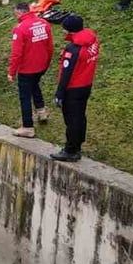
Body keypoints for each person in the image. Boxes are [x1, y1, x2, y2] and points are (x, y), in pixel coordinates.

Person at [51, 14, 99, 162]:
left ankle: (71, 150)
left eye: (64, 29)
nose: (63, 32)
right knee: (80, 117)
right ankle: (77, 145)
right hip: (86, 84)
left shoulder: (73, 49)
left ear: (70, 31)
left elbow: (66, 73)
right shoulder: (92, 40)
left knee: (72, 119)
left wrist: (59, 93)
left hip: (73, 88)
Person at [7, 0, 56, 138]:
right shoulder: (44, 23)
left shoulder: (20, 29)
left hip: (27, 68)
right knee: (35, 86)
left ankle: (28, 126)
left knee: (25, 97)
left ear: (19, 13)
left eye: (16, 15)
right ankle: (42, 112)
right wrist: (46, 64)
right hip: (41, 66)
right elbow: (50, 46)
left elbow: (16, 54)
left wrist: (11, 72)